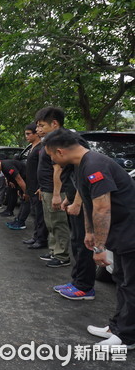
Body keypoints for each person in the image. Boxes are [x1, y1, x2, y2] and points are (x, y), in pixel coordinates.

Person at [44, 129, 135, 347]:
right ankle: (117, 326)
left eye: (51, 156)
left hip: (129, 230)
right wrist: (90, 233)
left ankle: (128, 337)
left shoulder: (95, 164)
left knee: (130, 284)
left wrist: (99, 248)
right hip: (120, 231)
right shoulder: (81, 166)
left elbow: (103, 208)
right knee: (121, 280)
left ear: (59, 151)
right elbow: (88, 201)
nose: (52, 161)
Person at [35, 107, 72, 268]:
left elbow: (58, 169)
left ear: (54, 124)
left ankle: (62, 255)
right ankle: (53, 250)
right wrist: (42, 187)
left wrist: (57, 194)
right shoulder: (49, 141)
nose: (38, 129)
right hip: (47, 189)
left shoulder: (59, 141)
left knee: (58, 222)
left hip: (55, 191)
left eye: (42, 125)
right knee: (50, 222)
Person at [21, 123, 49, 249]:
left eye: (28, 134)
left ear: (36, 133)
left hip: (38, 186)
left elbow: (42, 168)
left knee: (40, 214)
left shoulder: (41, 148)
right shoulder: (31, 148)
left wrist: (41, 186)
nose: (26, 136)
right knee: (34, 213)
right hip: (31, 186)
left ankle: (42, 239)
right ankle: (36, 236)